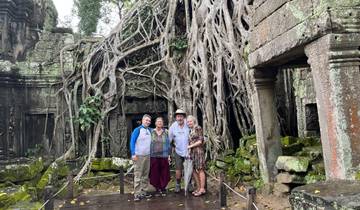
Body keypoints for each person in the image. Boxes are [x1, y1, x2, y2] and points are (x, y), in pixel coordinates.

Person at [129, 114, 153, 201]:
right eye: (146, 120)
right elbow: (132, 142)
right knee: (138, 174)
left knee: (145, 175)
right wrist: (133, 154)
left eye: (149, 121)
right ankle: (137, 194)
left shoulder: (150, 130)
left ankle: (144, 192)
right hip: (138, 156)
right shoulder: (137, 130)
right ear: (142, 120)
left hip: (147, 155)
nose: (148, 122)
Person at [169, 109, 190, 193]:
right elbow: (169, 140)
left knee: (189, 168)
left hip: (189, 151)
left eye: (181, 116)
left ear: (184, 117)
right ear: (176, 118)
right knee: (178, 169)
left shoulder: (188, 124)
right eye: (178, 116)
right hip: (178, 151)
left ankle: (190, 183)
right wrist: (171, 150)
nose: (179, 118)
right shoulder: (173, 127)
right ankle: (178, 184)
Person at [149, 117, 171, 196]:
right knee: (155, 172)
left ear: (163, 123)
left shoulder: (166, 132)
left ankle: (163, 188)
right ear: (155, 123)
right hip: (153, 155)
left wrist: (169, 155)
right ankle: (157, 188)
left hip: (164, 155)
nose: (159, 123)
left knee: (164, 172)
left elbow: (168, 144)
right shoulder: (151, 132)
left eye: (161, 122)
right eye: (158, 121)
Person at [187, 115, 206, 196]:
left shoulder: (198, 128)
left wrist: (190, 146)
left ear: (194, 121)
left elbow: (200, 141)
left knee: (200, 169)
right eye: (187, 122)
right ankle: (198, 188)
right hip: (192, 153)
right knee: (193, 170)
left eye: (190, 121)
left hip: (198, 151)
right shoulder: (190, 130)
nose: (189, 123)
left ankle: (202, 189)